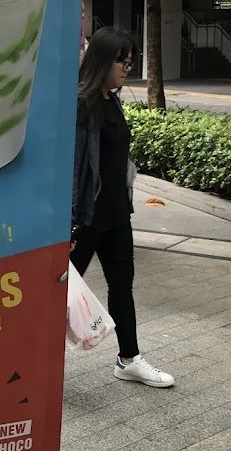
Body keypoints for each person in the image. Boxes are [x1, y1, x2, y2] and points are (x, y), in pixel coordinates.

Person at [71, 27, 174, 388]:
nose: (127, 67)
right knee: (60, 296)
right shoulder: (81, 105)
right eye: (121, 60)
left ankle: (128, 359)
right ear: (101, 60)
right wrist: (68, 221)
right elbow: (72, 168)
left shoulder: (113, 101)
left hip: (116, 215)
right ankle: (35, 366)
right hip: (85, 219)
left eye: (130, 60)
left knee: (122, 287)